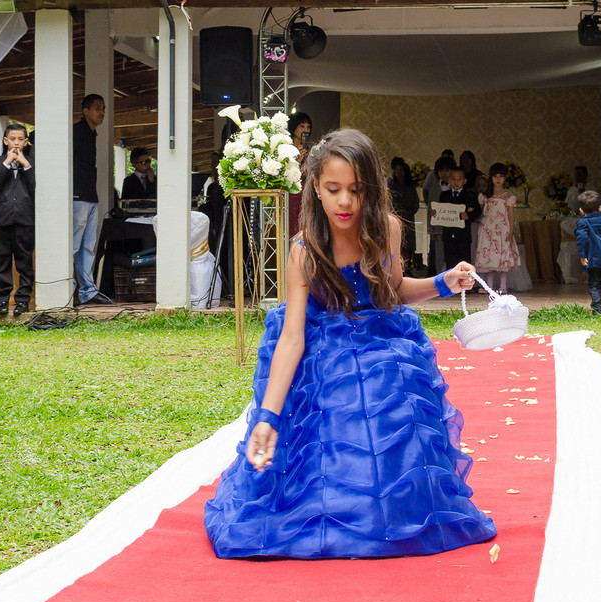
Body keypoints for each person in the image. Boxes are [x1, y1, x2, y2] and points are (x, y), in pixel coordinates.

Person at [204, 128, 497, 559]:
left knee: (392, 393)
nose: (345, 202)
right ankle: (335, 511)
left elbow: (391, 291)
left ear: (371, 191)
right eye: (333, 189)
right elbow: (291, 338)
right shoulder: (304, 249)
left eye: (356, 190)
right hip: (322, 345)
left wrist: (442, 281)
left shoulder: (388, 230)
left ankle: (397, 510)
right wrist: (268, 416)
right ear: (316, 190)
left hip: (378, 337)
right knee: (337, 412)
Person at [0, 123, 35, 317]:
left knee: (24, 261)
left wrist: (26, 165)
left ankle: (23, 300)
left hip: (24, 220)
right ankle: (2, 300)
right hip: (3, 220)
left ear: (25, 141)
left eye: (20, 139)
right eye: (12, 139)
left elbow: (33, 188)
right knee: (3, 261)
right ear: (6, 141)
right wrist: (7, 163)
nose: (16, 143)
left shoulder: (31, 162)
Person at [73, 94, 112, 306]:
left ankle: (87, 291)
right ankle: (68, 291)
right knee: (73, 246)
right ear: (85, 111)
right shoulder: (75, 131)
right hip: (77, 195)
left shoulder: (91, 134)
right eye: (97, 108)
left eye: (103, 108)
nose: (102, 112)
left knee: (89, 246)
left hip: (91, 196)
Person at [475, 163, 520, 293]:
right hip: (488, 229)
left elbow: (511, 216)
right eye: (495, 176)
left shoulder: (509, 197)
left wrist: (511, 232)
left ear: (505, 177)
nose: (498, 179)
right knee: (489, 256)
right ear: (491, 177)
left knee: (502, 256)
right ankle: (489, 287)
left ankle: (503, 286)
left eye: (501, 176)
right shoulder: (485, 196)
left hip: (502, 229)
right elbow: (480, 212)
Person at [436, 166, 479, 271]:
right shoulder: (444, 195)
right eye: (453, 179)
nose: (456, 182)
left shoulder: (469, 195)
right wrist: (435, 213)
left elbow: (478, 211)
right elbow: (441, 211)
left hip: (463, 235)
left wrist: (468, 216)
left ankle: (465, 286)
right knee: (450, 262)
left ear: (464, 181)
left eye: (459, 179)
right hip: (448, 235)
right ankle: (451, 286)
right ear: (449, 180)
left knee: (465, 262)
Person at [387, 161, 420, 273]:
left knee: (409, 245)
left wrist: (409, 211)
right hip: (395, 218)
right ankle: (398, 269)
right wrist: (396, 212)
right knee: (398, 244)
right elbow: (386, 201)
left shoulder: (410, 186)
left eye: (401, 170)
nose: (398, 172)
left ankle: (408, 268)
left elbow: (416, 203)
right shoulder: (390, 184)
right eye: (396, 170)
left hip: (409, 219)